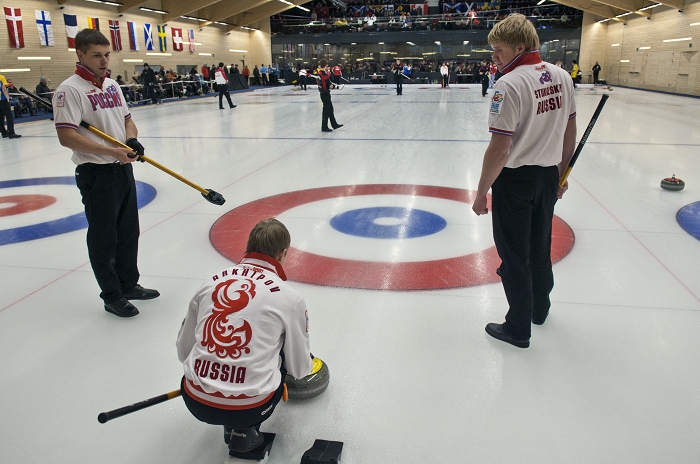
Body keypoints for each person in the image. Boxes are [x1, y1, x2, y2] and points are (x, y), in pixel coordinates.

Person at [472, 13, 577, 348]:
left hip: (515, 181)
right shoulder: (562, 76)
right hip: (547, 176)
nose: (494, 57)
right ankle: (540, 308)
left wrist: (480, 192)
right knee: (539, 246)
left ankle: (517, 327)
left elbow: (499, 149)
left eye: (499, 50)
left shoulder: (509, 84)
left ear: (520, 46)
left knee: (515, 256)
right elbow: (569, 132)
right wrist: (561, 174)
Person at [176, 218, 314, 455]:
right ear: (283, 254)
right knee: (280, 347)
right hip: (250, 407)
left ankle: (231, 425)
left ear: (248, 248)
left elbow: (183, 351)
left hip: (195, 400)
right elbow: (300, 370)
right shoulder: (290, 298)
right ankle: (244, 431)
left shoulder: (211, 282)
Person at [53, 28, 159, 317]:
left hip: (121, 170)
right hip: (96, 173)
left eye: (106, 54)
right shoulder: (70, 89)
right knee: (104, 238)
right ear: (80, 55)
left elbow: (127, 121)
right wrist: (112, 152)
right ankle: (112, 295)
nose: (103, 60)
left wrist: (130, 140)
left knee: (128, 231)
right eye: (96, 55)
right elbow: (67, 137)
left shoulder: (112, 85)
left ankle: (128, 284)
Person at [317, 59, 343, 133]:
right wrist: (334, 86)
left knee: (330, 109)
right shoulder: (324, 75)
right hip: (325, 94)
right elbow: (330, 86)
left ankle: (334, 124)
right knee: (326, 111)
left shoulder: (319, 73)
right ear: (326, 65)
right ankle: (324, 127)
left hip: (322, 93)